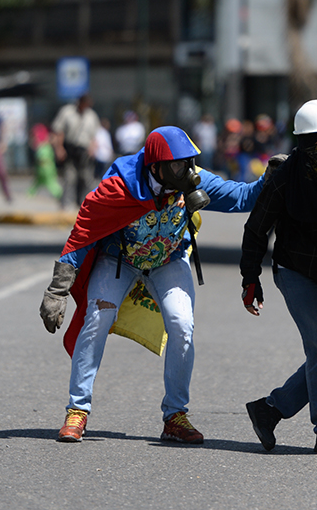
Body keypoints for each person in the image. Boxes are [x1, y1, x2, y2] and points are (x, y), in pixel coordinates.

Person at [39, 126, 270, 444]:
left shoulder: (191, 178)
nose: (187, 172)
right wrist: (57, 289)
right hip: (118, 260)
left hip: (169, 260)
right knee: (96, 320)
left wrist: (271, 177)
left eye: (190, 162)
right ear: (156, 167)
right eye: (178, 166)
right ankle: (77, 410)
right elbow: (84, 231)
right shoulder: (120, 187)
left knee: (182, 324)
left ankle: (175, 415)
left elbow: (243, 197)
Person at [240, 99, 317, 455]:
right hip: (295, 271)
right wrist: (250, 279)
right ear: (304, 145)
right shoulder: (285, 176)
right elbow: (256, 229)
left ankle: (271, 408)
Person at [52, 94, 100, 209]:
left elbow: (94, 136)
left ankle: (83, 204)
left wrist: (93, 149)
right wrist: (59, 149)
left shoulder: (91, 116)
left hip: (84, 151)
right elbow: (59, 131)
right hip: (70, 148)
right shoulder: (67, 112)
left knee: (86, 178)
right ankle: (65, 204)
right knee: (70, 177)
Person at [27, 123, 63, 200]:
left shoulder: (43, 148)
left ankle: (59, 194)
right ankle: (30, 193)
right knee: (41, 183)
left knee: (49, 183)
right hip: (46, 169)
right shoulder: (46, 147)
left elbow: (41, 158)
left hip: (45, 169)